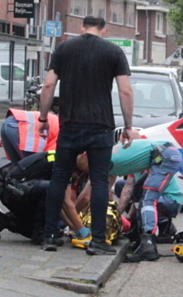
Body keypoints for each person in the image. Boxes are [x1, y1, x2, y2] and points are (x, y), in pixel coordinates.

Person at [37, 15, 138, 254]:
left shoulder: (64, 48)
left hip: (69, 124)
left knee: (59, 178)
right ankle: (98, 241)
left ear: (82, 27)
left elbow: (48, 85)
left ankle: (49, 235)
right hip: (100, 126)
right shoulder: (113, 52)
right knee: (100, 181)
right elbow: (125, 90)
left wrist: (43, 118)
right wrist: (128, 125)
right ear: (104, 30)